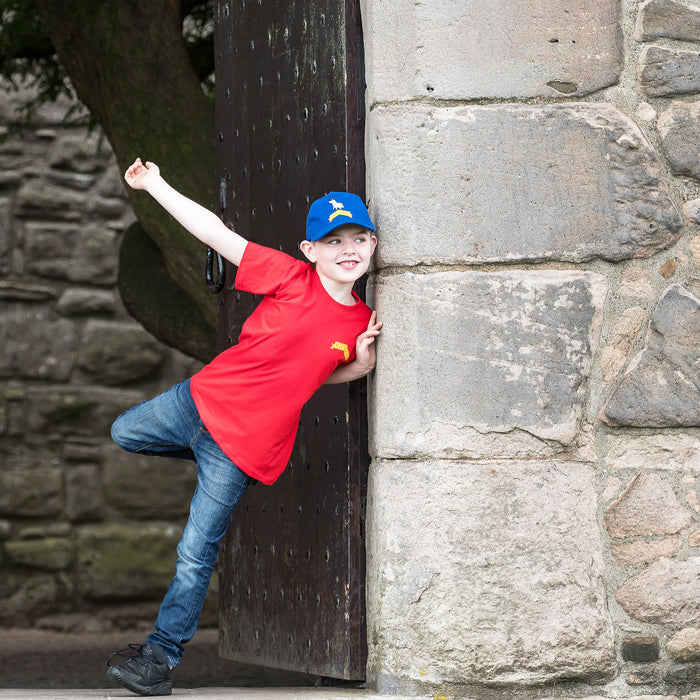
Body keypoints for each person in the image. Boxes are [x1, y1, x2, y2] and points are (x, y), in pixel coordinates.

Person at [106, 158, 382, 696]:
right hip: (198, 402)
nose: (347, 249)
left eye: (359, 237)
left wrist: (359, 367)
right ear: (311, 251)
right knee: (124, 433)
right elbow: (215, 231)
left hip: (243, 447)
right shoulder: (288, 275)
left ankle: (158, 660)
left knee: (195, 551)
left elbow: (310, 373)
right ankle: (203, 455)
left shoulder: (357, 322)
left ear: (372, 245)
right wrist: (155, 184)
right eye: (333, 241)